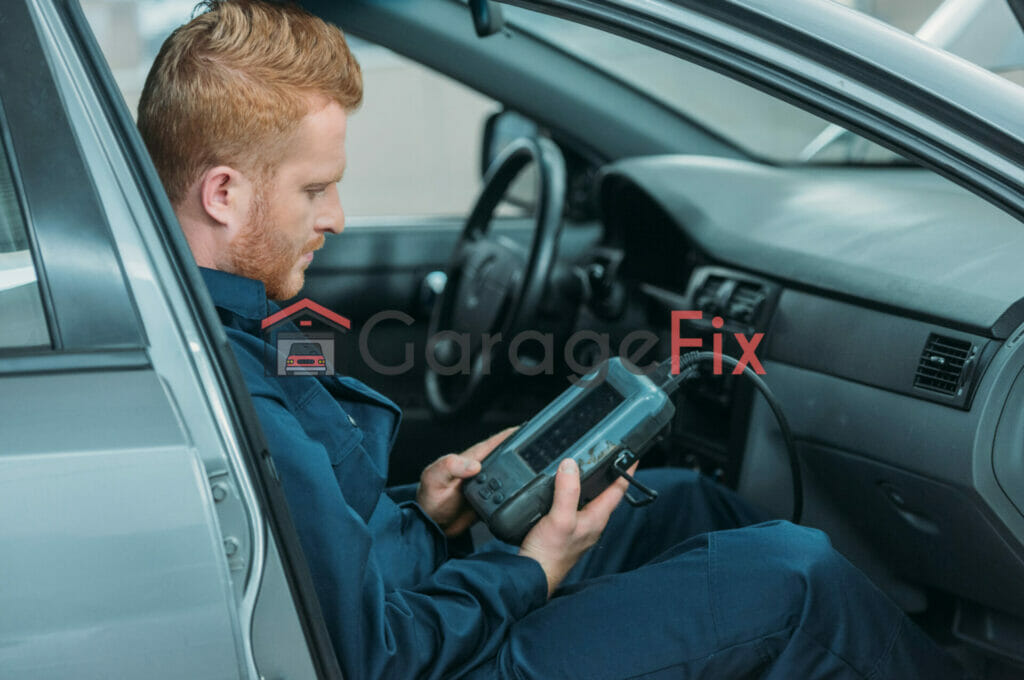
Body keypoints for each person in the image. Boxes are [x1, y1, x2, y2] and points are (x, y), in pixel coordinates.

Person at [137, 2, 965, 678]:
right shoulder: (234, 377)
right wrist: (530, 569)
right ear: (222, 193)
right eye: (315, 189)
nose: (336, 219)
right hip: (427, 662)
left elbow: (318, 553)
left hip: (411, 609)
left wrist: (427, 517)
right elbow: (376, 658)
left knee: (683, 501)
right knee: (794, 578)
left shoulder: (223, 328)